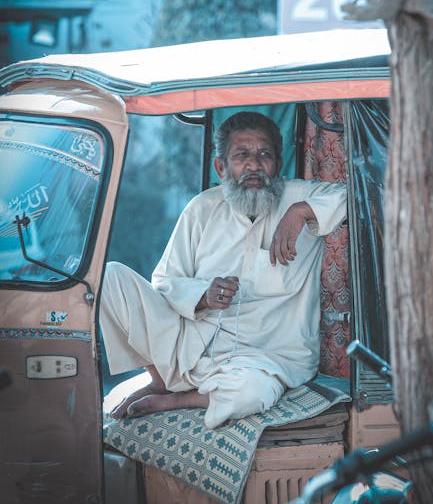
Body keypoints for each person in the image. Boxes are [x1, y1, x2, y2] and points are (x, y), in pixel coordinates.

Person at [100, 111, 346, 429]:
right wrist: (203, 295)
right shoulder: (202, 209)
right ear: (221, 166)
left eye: (264, 155)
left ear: (279, 163)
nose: (254, 165)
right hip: (191, 345)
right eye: (241, 155)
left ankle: (179, 398)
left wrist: (300, 212)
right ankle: (159, 379)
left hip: (263, 360)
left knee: (251, 392)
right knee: (111, 277)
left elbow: (358, 195)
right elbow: (164, 282)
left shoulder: (301, 197)